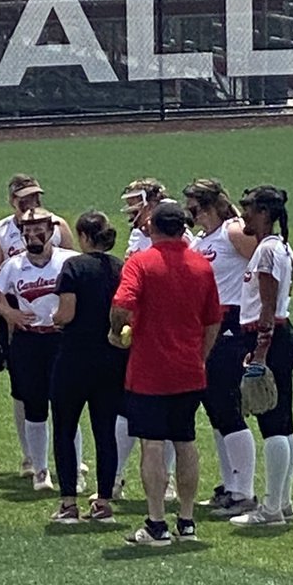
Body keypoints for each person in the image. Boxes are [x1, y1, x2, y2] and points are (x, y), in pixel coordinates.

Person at [110, 200, 222, 546]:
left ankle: (156, 522)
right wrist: (200, 356)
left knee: (152, 444)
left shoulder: (141, 263)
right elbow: (213, 320)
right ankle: (186, 521)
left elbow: (121, 305)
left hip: (149, 370)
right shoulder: (201, 265)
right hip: (189, 370)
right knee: (186, 441)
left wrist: (115, 333)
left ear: (152, 227)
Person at [0, 174, 76, 476]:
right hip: (23, 326)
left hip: (59, 331)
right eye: (24, 198)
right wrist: (9, 315)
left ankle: (71, 463)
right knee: (27, 396)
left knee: (66, 400)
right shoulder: (0, 233)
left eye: (35, 196)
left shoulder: (58, 228)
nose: (31, 203)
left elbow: (76, 278)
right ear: (12, 200)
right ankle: (34, 461)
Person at [184, 178, 259, 518]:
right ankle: (230, 485)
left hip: (231, 321)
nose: (193, 215)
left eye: (196, 208)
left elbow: (264, 262)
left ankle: (244, 491)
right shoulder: (203, 239)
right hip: (207, 323)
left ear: (212, 205)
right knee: (214, 406)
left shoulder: (233, 231)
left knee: (227, 404)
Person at [228, 186, 293, 528]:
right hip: (280, 337)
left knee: (272, 424)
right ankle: (283, 503)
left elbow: (267, 306)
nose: (243, 214)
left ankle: (271, 508)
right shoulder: (279, 246)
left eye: (249, 208)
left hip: (269, 339)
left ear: (265, 213)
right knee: (284, 424)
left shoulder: (268, 250)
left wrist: (260, 351)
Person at [49, 212, 125, 524]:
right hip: (110, 358)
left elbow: (66, 313)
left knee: (65, 429)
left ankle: (69, 502)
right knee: (105, 431)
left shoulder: (74, 266)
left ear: (83, 236)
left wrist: (54, 318)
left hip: (75, 357)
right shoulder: (120, 267)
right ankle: (103, 500)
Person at [114, 177, 177, 502]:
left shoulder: (175, 235)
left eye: (136, 200)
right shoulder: (138, 234)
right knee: (127, 406)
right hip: (139, 327)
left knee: (167, 410)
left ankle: (166, 479)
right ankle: (114, 476)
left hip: (166, 330)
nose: (131, 208)